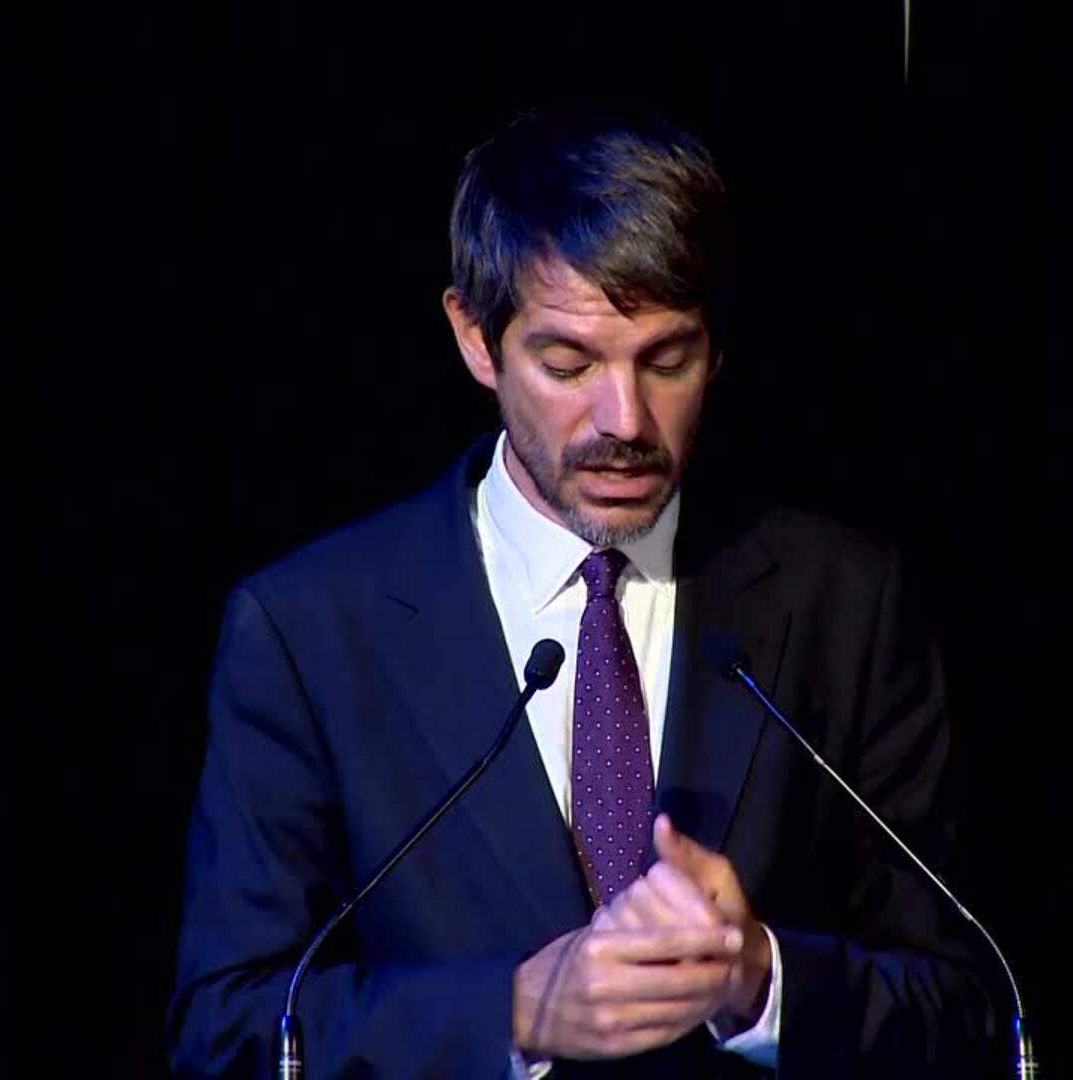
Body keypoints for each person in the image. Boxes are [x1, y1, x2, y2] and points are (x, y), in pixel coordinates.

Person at [165, 103, 1006, 1078]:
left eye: (668, 360)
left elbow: (974, 1009)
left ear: (718, 349)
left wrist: (762, 982)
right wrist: (514, 1014)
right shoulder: (309, 630)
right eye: (568, 363)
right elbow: (228, 1031)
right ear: (476, 339)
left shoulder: (844, 605)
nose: (625, 420)